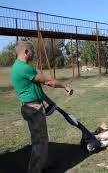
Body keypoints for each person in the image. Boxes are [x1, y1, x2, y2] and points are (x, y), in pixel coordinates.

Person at [10, 41, 73, 173]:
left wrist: (50, 102)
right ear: (26, 51)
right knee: (40, 141)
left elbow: (36, 91)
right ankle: (34, 170)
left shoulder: (17, 67)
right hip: (33, 108)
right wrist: (65, 86)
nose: (34, 53)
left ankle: (43, 164)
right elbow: (48, 82)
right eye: (32, 50)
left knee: (40, 139)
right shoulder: (24, 68)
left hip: (31, 106)